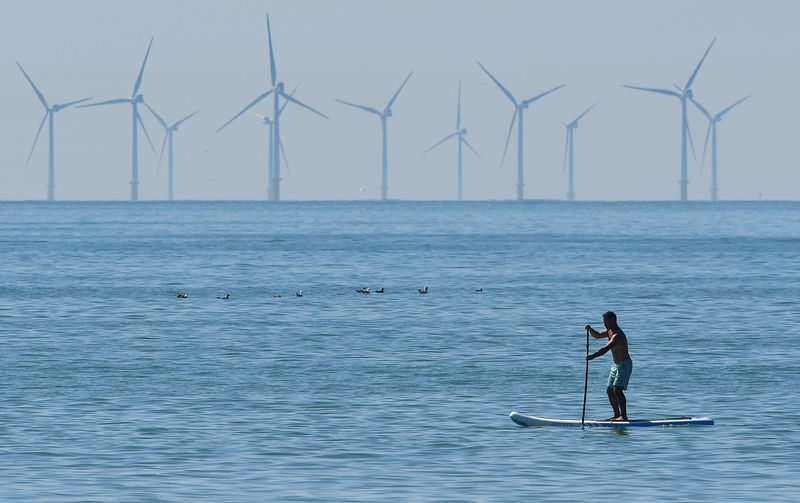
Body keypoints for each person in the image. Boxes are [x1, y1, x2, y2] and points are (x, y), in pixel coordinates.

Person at [585, 311, 632, 421]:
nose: (605, 325)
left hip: (624, 364)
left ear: (613, 321)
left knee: (617, 390)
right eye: (604, 322)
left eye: (606, 322)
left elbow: (605, 349)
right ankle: (616, 415)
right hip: (616, 365)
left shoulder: (617, 335)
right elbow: (597, 335)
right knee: (610, 390)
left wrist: (592, 356)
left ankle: (623, 416)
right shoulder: (609, 331)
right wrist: (590, 330)